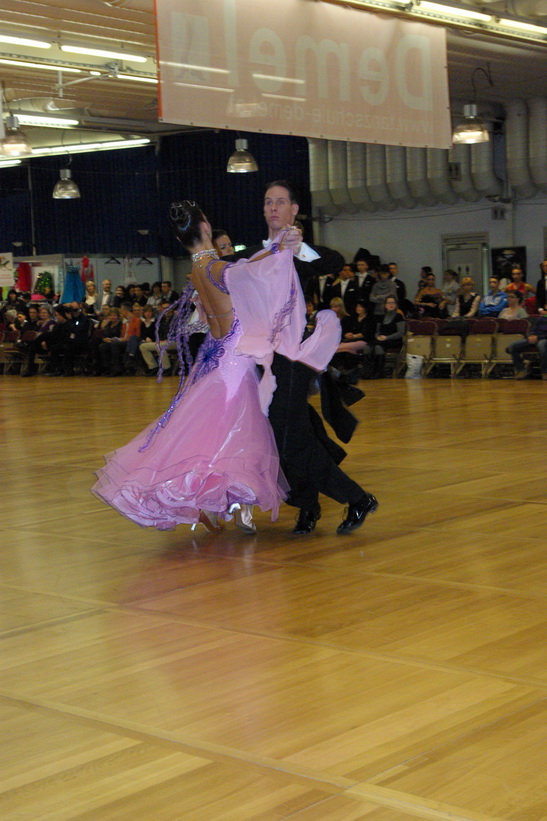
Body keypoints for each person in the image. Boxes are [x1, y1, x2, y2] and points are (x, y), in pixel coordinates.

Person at [93, 200, 341, 535]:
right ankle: (230, 502)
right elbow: (251, 270)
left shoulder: (196, 271)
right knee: (236, 435)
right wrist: (277, 249)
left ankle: (224, 504)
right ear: (206, 228)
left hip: (216, 356)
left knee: (219, 435)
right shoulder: (214, 268)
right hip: (235, 359)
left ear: (181, 240)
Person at [235, 180, 377, 535]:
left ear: (294, 209)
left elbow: (335, 261)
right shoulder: (252, 254)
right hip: (261, 360)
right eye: (268, 202)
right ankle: (312, 504)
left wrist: (299, 248)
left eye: (280, 202)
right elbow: (222, 271)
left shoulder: (299, 256)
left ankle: (351, 499)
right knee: (287, 439)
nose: (273, 207)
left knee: (287, 440)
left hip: (293, 359)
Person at [506, 314, 547, 380]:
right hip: (535, 338)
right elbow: (533, 329)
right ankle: (521, 369)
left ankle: (545, 371)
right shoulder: (542, 318)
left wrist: (538, 337)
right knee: (513, 346)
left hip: (544, 339)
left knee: (542, 346)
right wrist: (531, 335)